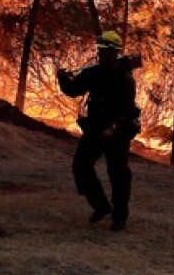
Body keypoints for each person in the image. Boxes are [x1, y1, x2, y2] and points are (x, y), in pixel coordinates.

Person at [57, 31, 140, 231]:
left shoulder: (125, 78)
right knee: (81, 166)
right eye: (100, 51)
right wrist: (63, 79)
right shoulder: (93, 73)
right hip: (95, 128)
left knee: (118, 173)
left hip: (118, 132)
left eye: (105, 51)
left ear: (115, 52)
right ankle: (101, 206)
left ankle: (119, 218)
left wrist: (113, 128)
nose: (101, 55)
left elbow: (126, 108)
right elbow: (73, 90)